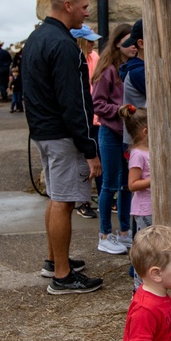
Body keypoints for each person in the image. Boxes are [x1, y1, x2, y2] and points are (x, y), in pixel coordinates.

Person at [23, 0, 105, 295]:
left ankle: (54, 260)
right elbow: (74, 102)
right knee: (64, 200)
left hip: (44, 131)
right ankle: (62, 275)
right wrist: (89, 147)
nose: (87, 13)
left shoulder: (36, 38)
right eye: (84, 7)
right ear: (68, 6)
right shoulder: (62, 44)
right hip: (61, 134)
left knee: (58, 197)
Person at [93, 23, 136, 253]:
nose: (133, 46)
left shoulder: (132, 67)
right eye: (128, 41)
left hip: (129, 134)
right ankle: (104, 234)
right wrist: (119, 110)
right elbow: (97, 104)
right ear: (118, 43)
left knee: (127, 185)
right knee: (109, 184)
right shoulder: (108, 69)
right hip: (110, 132)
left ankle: (124, 232)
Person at [73, 25, 103, 218]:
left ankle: (103, 198)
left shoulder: (95, 57)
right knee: (81, 161)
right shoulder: (73, 58)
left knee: (100, 159)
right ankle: (82, 201)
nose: (93, 43)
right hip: (82, 117)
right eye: (89, 40)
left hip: (97, 117)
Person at [121, 104, 151, 289]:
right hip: (144, 210)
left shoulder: (149, 151)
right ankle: (139, 289)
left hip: (152, 208)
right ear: (146, 131)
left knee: (153, 250)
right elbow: (132, 184)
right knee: (146, 251)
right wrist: (154, 180)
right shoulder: (138, 154)